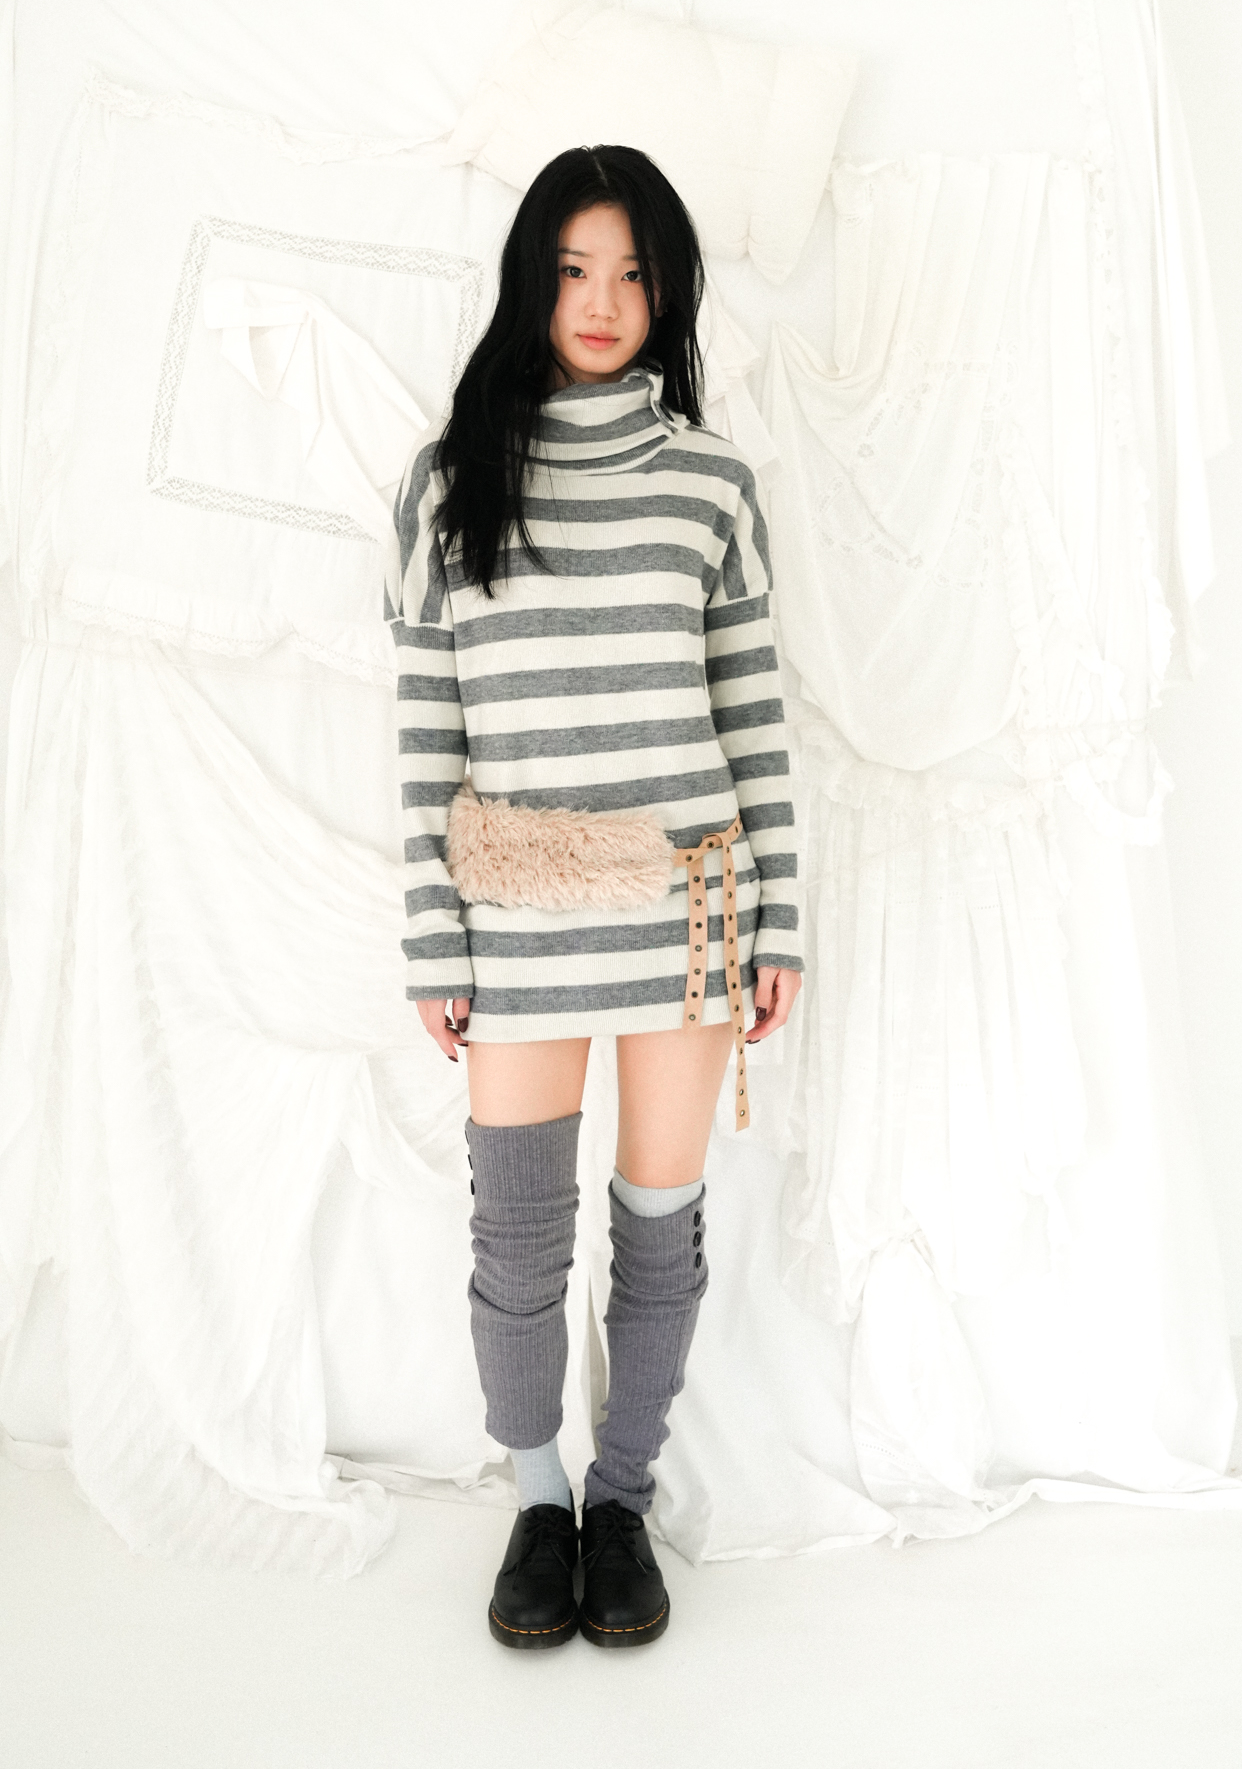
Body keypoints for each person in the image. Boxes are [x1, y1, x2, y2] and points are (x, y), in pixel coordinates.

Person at [384, 144, 803, 1650]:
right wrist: (433, 934)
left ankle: (620, 1503)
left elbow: (752, 717)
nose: (603, 300)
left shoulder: (711, 483)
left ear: (668, 290)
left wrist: (780, 920)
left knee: (657, 1224)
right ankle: (535, 1500)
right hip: (513, 910)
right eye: (573, 269)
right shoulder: (451, 482)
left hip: (687, 907)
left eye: (632, 272)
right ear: (531, 282)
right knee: (516, 1239)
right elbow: (428, 729)